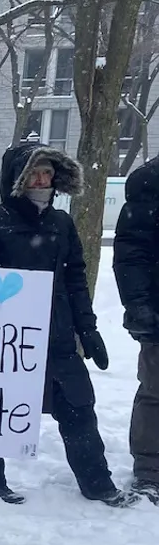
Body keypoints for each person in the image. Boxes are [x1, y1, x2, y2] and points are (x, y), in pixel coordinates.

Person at [0, 141, 138, 508]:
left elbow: (75, 279)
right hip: (4, 340)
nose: (41, 180)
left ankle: (97, 483)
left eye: (47, 172)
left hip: (57, 336)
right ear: (17, 178)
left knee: (79, 406)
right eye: (33, 173)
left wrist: (87, 329)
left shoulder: (62, 222)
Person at [113, 156, 159, 504]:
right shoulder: (149, 182)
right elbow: (131, 253)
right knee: (156, 392)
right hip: (158, 311)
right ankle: (150, 471)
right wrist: (139, 305)